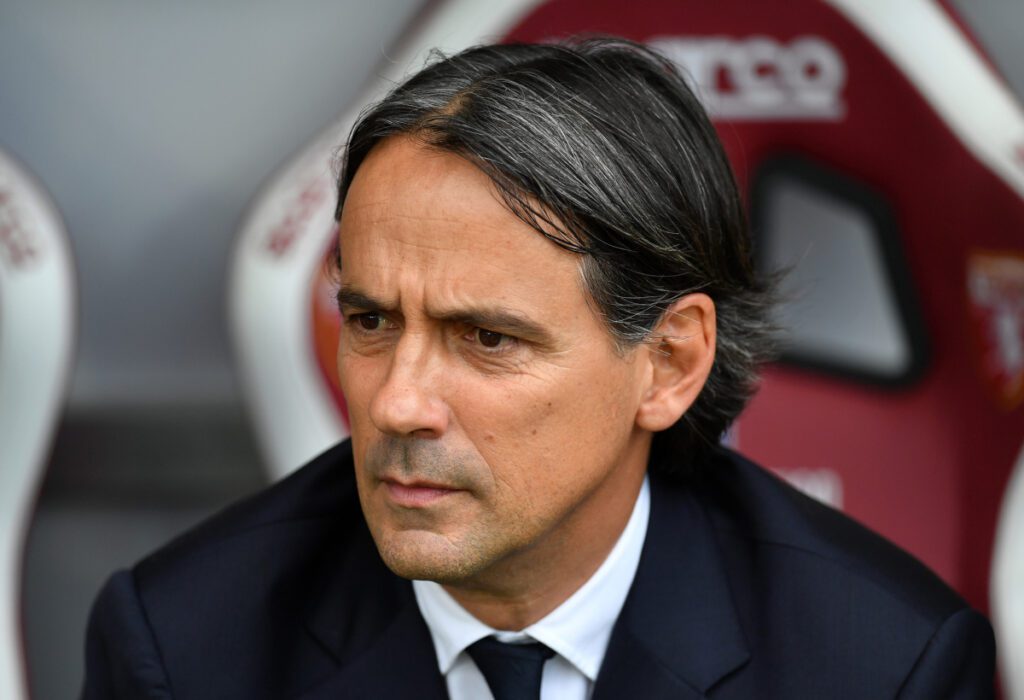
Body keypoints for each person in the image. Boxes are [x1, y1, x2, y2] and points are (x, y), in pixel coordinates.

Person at [82, 38, 994, 699]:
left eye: (488, 339)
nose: (397, 403)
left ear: (669, 365)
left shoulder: (881, 665)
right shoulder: (186, 643)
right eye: (368, 320)